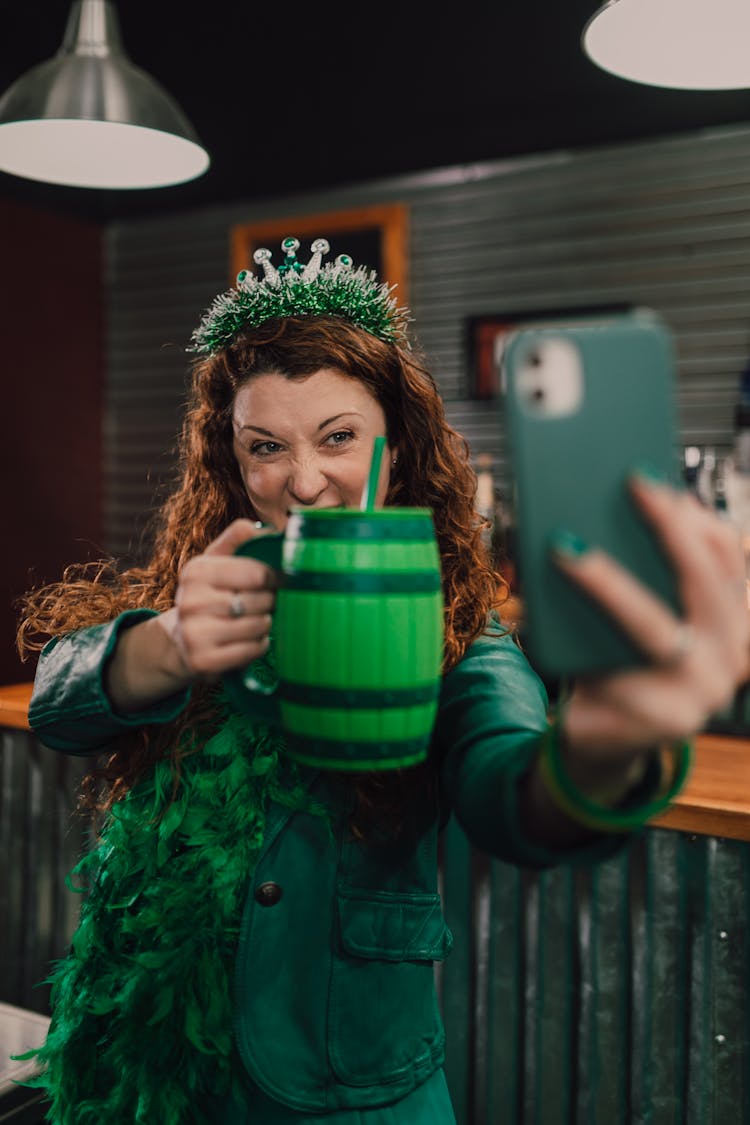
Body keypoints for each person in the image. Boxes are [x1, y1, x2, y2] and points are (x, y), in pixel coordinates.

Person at [15, 236, 749, 1125]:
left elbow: (512, 788)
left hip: (341, 1100)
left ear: (395, 450)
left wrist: (609, 741)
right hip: (142, 1086)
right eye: (265, 447)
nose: (305, 479)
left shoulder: (452, 634)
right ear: (233, 465)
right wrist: (166, 644)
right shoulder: (209, 590)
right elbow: (58, 700)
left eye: (338, 437)